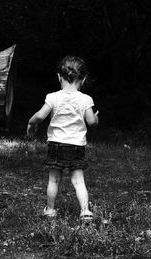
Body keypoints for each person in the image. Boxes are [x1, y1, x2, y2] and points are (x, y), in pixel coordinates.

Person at [27, 55, 99, 222]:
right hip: (76, 146)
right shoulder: (86, 99)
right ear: (84, 78)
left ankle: (50, 210)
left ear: (59, 76)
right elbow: (91, 121)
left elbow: (40, 116)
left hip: (56, 144)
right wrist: (96, 117)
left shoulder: (53, 97)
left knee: (54, 179)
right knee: (78, 181)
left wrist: (31, 123)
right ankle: (85, 211)